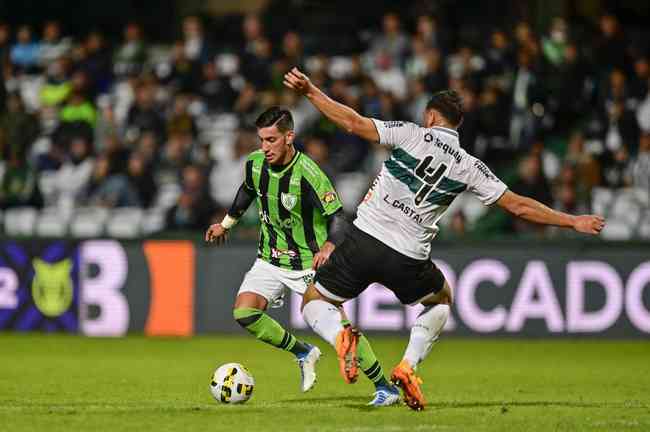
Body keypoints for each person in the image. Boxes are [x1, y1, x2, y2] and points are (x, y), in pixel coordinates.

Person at [283, 67, 606, 410]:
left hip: (365, 238)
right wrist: (572, 221)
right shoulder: (469, 165)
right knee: (440, 300)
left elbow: (352, 122)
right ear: (458, 124)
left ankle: (340, 336)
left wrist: (311, 91)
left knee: (315, 299)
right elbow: (519, 206)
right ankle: (407, 366)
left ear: (430, 115)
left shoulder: (410, 134)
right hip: (408, 256)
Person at [205, 107, 400, 406]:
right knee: (244, 312)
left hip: (308, 263)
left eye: (271, 140)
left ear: (289, 137)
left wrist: (328, 246)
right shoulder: (255, 164)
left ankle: (384, 387)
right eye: (261, 140)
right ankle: (302, 351)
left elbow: (338, 216)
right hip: (270, 258)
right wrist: (226, 224)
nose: (265, 147)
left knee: (340, 332)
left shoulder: (308, 173)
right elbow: (247, 192)